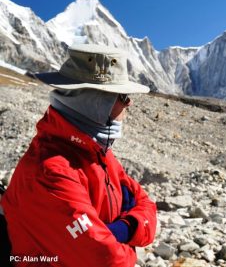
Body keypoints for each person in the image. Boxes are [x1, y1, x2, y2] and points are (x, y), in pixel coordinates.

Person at [1, 44, 157, 266]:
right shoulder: (51, 172)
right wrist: (129, 244)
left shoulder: (98, 153)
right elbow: (105, 260)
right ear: (95, 101)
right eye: (122, 96)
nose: (128, 103)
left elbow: (146, 203)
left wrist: (123, 229)